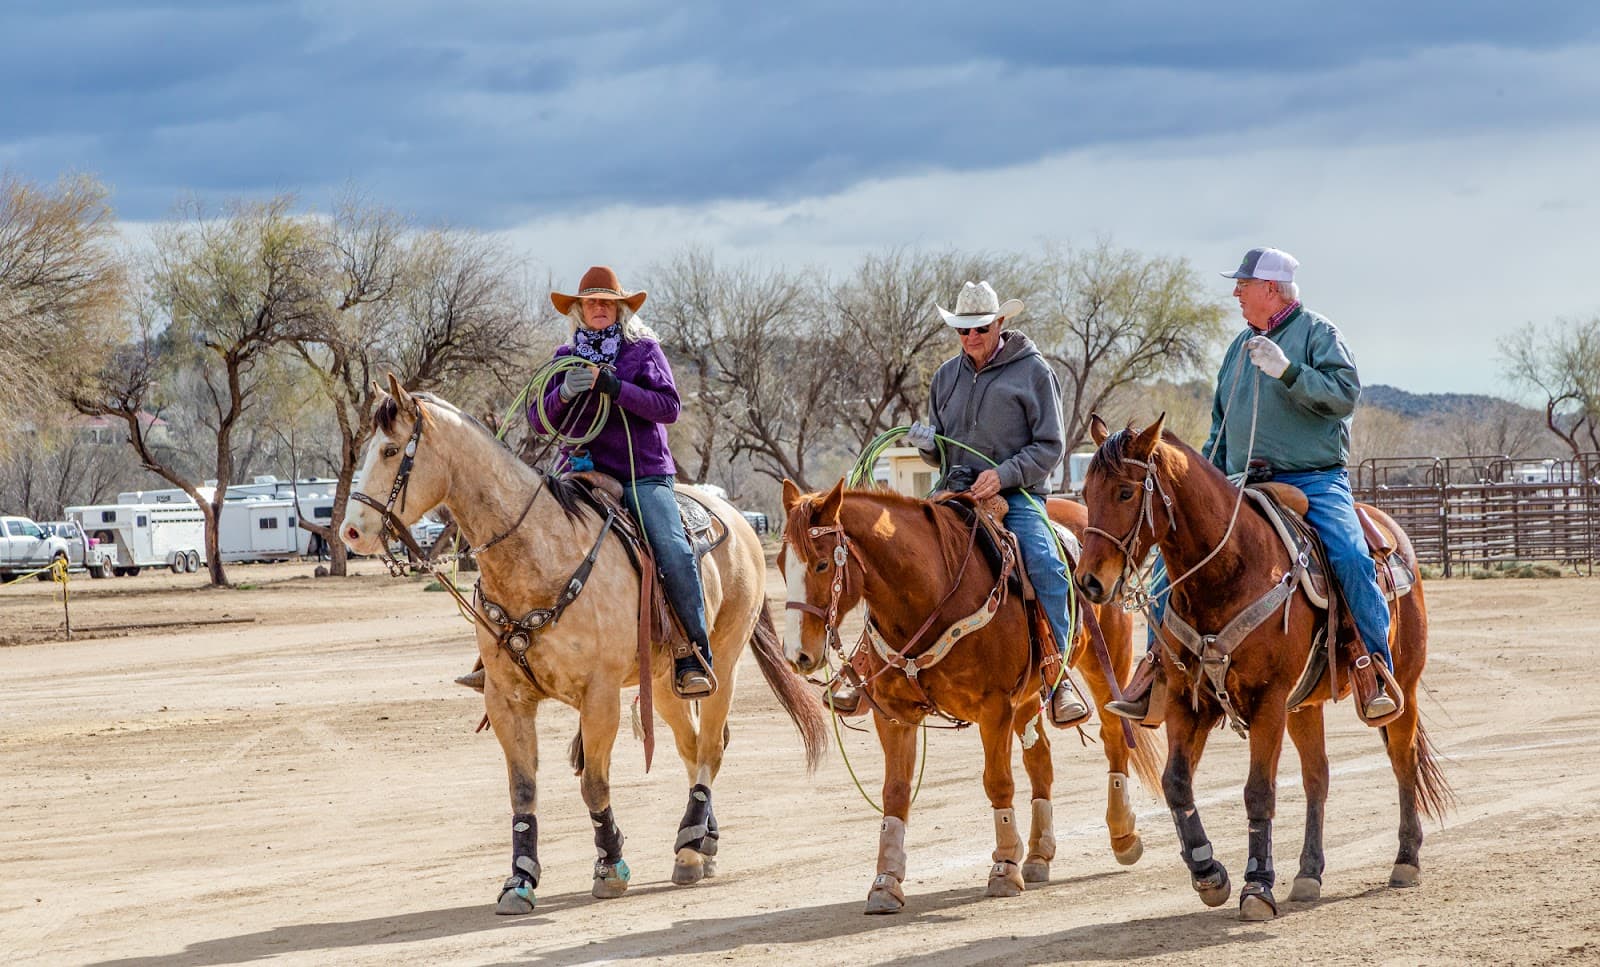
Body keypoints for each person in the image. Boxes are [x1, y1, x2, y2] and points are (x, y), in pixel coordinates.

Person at [1106, 246, 1397, 724]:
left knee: (1348, 554)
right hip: (1240, 481)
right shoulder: (1238, 349)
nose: (1236, 293)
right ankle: (1156, 669)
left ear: (1271, 289)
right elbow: (1221, 424)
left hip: (1314, 478)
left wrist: (1289, 371)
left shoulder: (1318, 335)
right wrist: (1206, 479)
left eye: (1243, 285)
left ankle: (1373, 668)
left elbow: (1345, 396)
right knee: (1169, 565)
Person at [831, 280, 1090, 727]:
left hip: (1019, 494)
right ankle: (867, 662)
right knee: (893, 558)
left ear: (1000, 323)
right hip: (953, 492)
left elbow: (1051, 446)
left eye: (981, 329)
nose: (971, 338)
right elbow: (944, 452)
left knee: (1047, 563)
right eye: (963, 330)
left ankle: (1057, 674)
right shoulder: (946, 376)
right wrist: (928, 448)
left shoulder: (1034, 372)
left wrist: (1004, 474)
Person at [457, 265, 715, 700]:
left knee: (671, 547)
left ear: (619, 309)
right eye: (591, 302)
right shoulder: (564, 358)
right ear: (579, 310)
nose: (599, 308)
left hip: (641, 473)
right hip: (579, 469)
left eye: (607, 303)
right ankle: (497, 654)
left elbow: (669, 407)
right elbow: (540, 421)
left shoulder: (643, 351)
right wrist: (564, 394)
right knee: (523, 541)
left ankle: (693, 651)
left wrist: (615, 388)